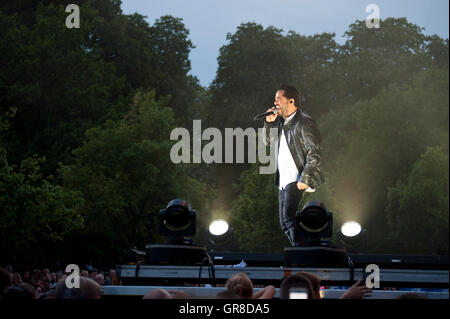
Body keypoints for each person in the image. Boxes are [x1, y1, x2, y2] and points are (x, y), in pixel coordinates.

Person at [262, 85, 325, 246]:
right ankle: (299, 251)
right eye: (274, 99)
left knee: (290, 219)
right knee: (285, 222)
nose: (275, 103)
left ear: (291, 101)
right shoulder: (283, 122)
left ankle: (303, 253)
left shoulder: (305, 122)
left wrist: (306, 177)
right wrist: (269, 123)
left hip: (295, 177)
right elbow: (267, 141)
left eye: (278, 99)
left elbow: (315, 152)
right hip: (283, 179)